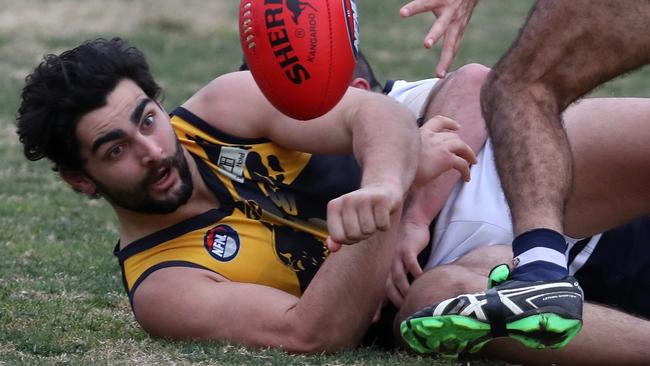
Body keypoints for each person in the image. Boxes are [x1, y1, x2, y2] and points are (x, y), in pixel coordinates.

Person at [16, 37, 480, 353]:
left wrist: (386, 185)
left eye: (147, 120)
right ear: (81, 180)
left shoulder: (220, 108)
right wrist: (390, 200)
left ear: (159, 103)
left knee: (480, 83)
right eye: (116, 149)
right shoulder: (163, 286)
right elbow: (311, 334)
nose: (153, 151)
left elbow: (371, 112)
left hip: (452, 167)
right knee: (451, 294)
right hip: (442, 266)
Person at [395, 0, 650, 355]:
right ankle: (540, 271)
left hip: (535, 166)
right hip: (475, 263)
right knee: (437, 299)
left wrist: (412, 214)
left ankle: (541, 267)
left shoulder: (346, 108)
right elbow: (311, 332)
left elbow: (472, 84)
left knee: (519, 90)